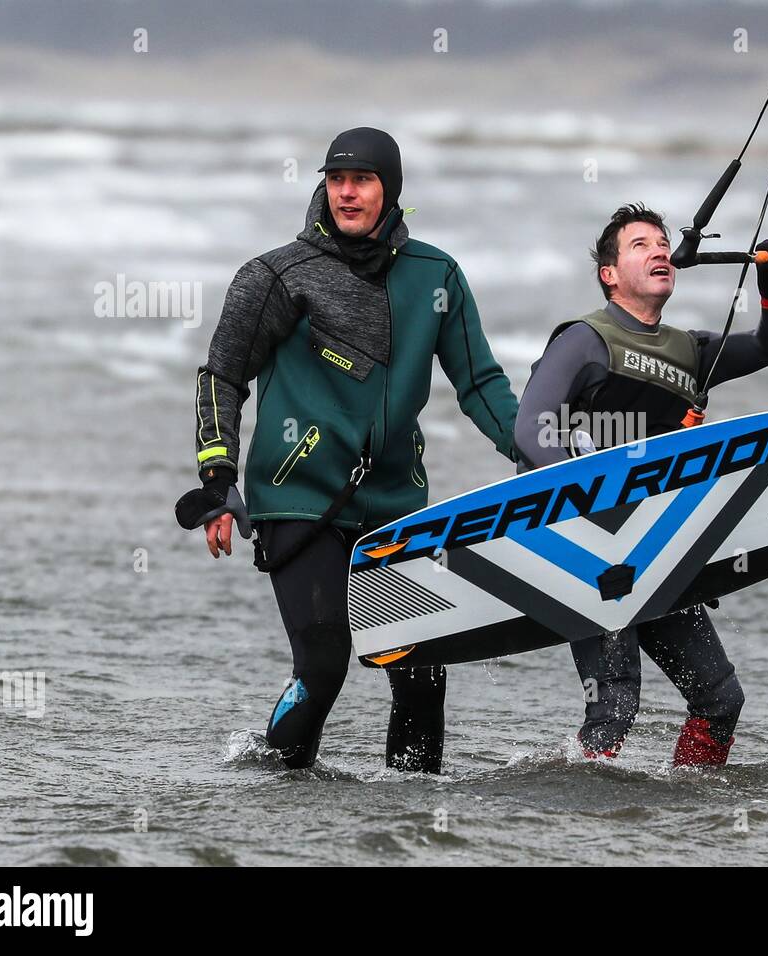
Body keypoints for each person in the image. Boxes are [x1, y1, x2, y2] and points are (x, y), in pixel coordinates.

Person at [175, 127, 518, 773]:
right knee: (324, 665)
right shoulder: (276, 275)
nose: (346, 192)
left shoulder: (436, 276)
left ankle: (414, 812)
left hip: (393, 501)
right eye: (336, 179)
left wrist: (534, 454)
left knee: (421, 674)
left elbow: (479, 382)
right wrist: (219, 481)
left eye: (361, 179)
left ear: (390, 189)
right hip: (299, 499)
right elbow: (222, 375)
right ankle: (275, 783)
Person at [513, 203, 768, 766]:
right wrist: (581, 506)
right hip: (589, 549)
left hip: (657, 548)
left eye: (663, 243)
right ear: (609, 274)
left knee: (721, 700)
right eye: (640, 245)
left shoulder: (689, 350)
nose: (660, 250)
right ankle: (578, 815)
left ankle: (689, 805)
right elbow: (530, 428)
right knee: (615, 705)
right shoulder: (585, 340)